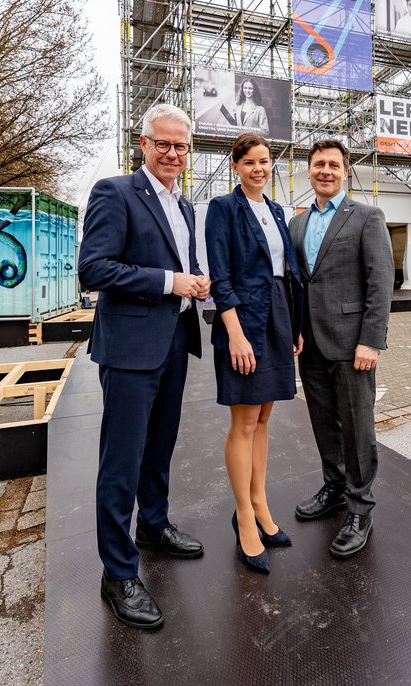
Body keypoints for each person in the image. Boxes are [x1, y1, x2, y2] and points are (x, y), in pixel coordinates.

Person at [78, 103, 210, 630]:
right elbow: (94, 268)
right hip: (131, 347)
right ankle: (118, 573)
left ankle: (153, 525)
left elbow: (185, 268)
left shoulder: (185, 206)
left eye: (181, 146)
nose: (173, 153)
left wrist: (197, 281)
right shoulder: (115, 192)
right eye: (164, 144)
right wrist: (170, 282)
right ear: (143, 142)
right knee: (122, 459)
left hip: (175, 340)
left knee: (160, 446)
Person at [288, 139, 394, 559]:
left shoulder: (367, 217)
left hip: (353, 346)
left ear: (345, 172)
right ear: (309, 171)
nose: (326, 171)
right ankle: (333, 487)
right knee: (323, 423)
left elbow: (380, 282)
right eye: (319, 165)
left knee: (357, 428)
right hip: (310, 344)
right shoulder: (297, 224)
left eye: (333, 165)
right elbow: (299, 284)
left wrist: (371, 340)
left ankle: (360, 509)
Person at [204, 133, 305, 574]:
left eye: (265, 162)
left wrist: (294, 327)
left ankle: (261, 504)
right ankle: (244, 515)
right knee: (244, 420)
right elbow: (220, 277)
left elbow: (286, 273)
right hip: (244, 321)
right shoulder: (223, 209)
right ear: (236, 166)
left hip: (277, 317)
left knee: (265, 415)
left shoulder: (277, 210)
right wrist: (236, 334)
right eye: (250, 162)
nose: (259, 169)